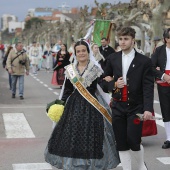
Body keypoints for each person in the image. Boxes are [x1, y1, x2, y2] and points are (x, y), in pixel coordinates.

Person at [45, 40, 120, 169]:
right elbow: (67, 90)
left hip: (93, 106)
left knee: (93, 136)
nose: (81, 53)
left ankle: (94, 164)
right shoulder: (70, 70)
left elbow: (103, 85)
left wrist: (113, 84)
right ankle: (74, 163)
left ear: (88, 52)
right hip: (74, 106)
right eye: (78, 51)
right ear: (75, 53)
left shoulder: (95, 69)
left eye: (83, 51)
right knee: (73, 135)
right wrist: (61, 104)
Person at [100, 27, 154, 170]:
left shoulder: (144, 61)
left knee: (133, 139)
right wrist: (114, 84)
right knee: (121, 142)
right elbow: (103, 82)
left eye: (126, 39)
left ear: (133, 41)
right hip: (118, 106)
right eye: (121, 39)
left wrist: (148, 108)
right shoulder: (112, 58)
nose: (123, 42)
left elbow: (148, 87)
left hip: (136, 107)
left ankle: (141, 165)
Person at [151, 28, 170, 149]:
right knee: (166, 110)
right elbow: (151, 67)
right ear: (166, 39)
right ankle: (169, 138)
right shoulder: (159, 50)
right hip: (164, 83)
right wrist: (163, 75)